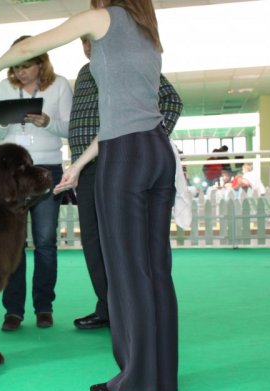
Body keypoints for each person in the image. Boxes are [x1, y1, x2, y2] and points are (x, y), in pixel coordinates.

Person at [0, 0, 178, 391]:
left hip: (126, 158)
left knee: (125, 273)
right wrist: (82, 162)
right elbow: (132, 115)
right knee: (156, 269)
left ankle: (136, 380)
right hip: (157, 152)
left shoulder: (103, 18)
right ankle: (163, 375)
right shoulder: (148, 32)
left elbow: (26, 47)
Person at [68, 35, 183, 331]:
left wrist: (152, 137)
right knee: (93, 241)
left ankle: (131, 310)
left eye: (94, 41)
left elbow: (172, 101)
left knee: (123, 242)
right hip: (87, 168)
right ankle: (107, 307)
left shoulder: (130, 64)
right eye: (85, 44)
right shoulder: (83, 73)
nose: (90, 48)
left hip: (120, 163)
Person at [0, 35, 72, 331]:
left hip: (47, 169)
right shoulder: (5, 86)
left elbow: (68, 128)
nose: (20, 72)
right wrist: (4, 119)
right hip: (12, 173)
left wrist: (47, 121)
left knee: (46, 242)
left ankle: (44, 307)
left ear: (41, 62)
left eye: (26, 65)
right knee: (13, 244)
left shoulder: (59, 84)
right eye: (17, 66)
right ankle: (13, 310)